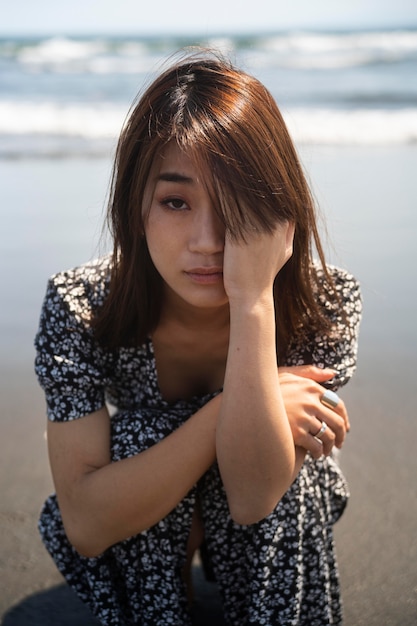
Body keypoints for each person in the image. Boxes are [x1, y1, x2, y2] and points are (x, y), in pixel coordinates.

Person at [34, 50, 362, 626]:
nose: (208, 240)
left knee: (290, 466)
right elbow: (84, 524)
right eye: (176, 202)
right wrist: (222, 413)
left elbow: (256, 496)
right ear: (137, 209)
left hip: (263, 516)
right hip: (148, 513)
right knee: (138, 437)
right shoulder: (83, 304)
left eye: (236, 203)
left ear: (279, 209)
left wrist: (255, 299)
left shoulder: (322, 304)